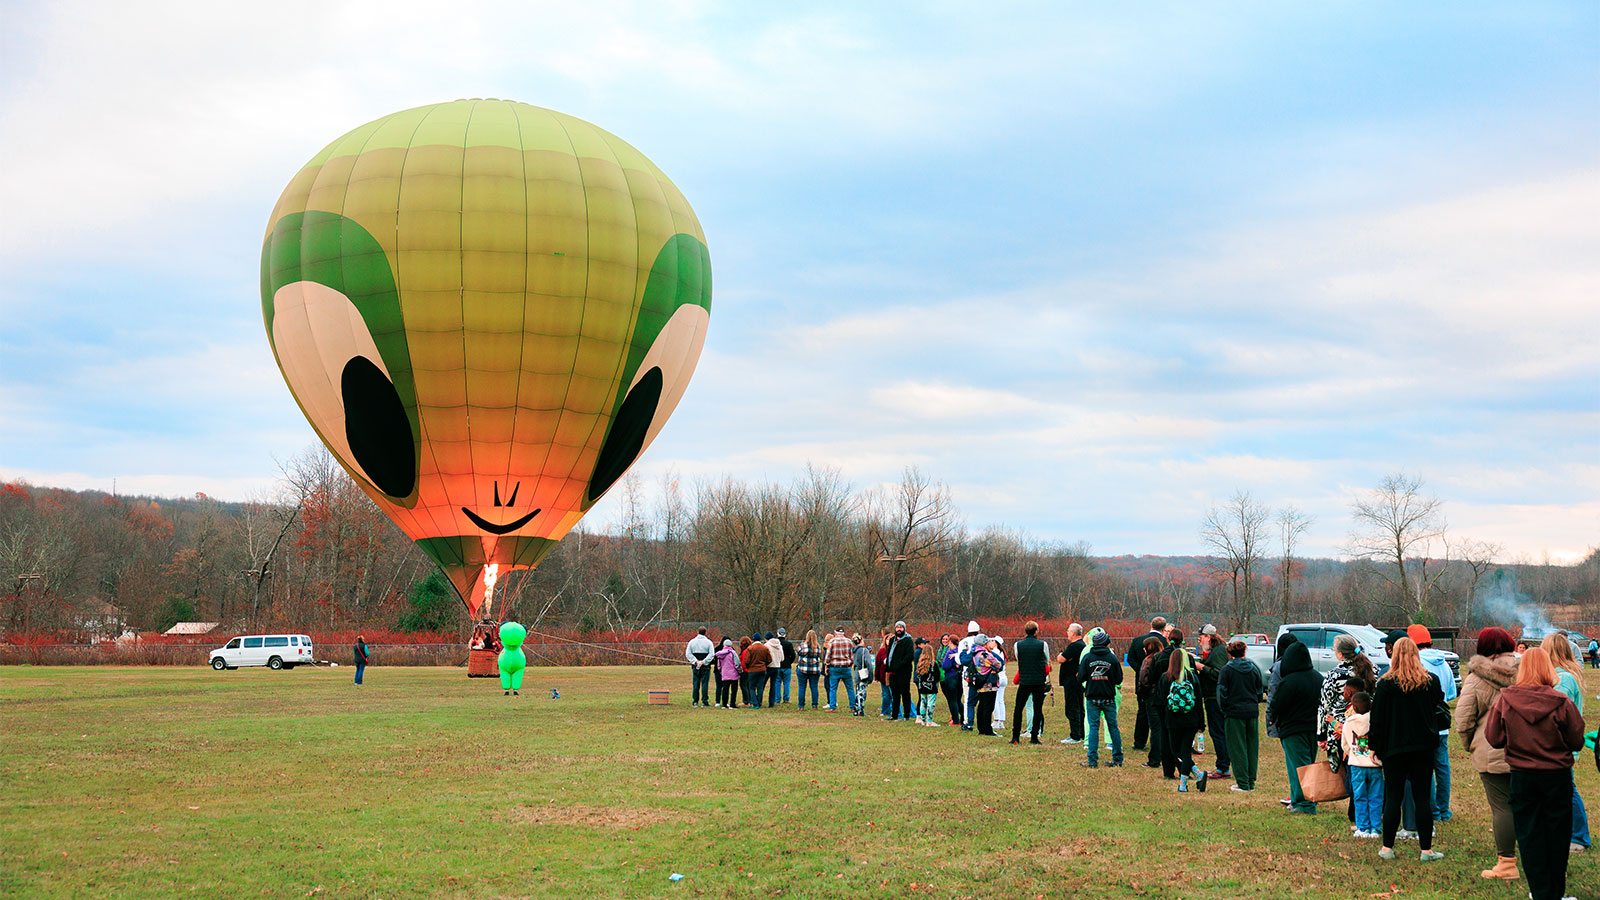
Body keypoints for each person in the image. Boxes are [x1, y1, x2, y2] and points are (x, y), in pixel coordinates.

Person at [1485, 647, 1586, 900]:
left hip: (1522, 777)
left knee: (1529, 835)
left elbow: (1493, 737)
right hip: (1556, 777)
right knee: (1557, 834)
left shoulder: (1505, 700)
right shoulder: (1562, 702)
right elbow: (1576, 740)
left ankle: (1541, 892)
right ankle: (1553, 893)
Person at [1369, 637, 1446, 862]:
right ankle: (1426, 850)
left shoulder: (1385, 684)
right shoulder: (1430, 682)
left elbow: (1377, 719)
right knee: (1422, 797)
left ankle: (1387, 848)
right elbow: (1439, 709)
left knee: (1393, 796)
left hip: (1393, 747)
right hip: (1423, 746)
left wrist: (1373, 746)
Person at [1454, 626, 1520, 879]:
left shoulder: (1476, 678)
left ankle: (1506, 864)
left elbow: (1463, 718)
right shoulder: (1526, 670)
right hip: (1529, 749)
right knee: (1529, 804)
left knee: (1503, 808)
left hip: (1492, 750)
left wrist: (1469, 742)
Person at [1541, 634, 1591, 854]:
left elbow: (1551, 710)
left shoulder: (1563, 679)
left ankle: (1579, 836)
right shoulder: (1565, 676)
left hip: (1559, 744)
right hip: (1559, 743)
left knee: (1567, 790)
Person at [1409, 625, 1458, 823]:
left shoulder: (1417, 663)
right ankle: (1444, 810)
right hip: (1442, 725)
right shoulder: (1444, 663)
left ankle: (1433, 811)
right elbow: (1453, 692)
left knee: (1425, 768)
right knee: (1442, 767)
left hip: (1423, 725)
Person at [1270, 638, 1320, 814]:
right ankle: (1303, 799)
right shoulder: (1317, 678)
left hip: (1293, 730)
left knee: (1298, 768)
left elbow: (1277, 704)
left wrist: (1273, 720)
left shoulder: (1288, 681)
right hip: (1313, 729)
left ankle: (1304, 804)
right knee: (1309, 765)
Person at [1217, 639, 1264, 792]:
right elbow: (1259, 691)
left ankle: (1243, 783)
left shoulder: (1227, 670)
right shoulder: (1253, 668)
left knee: (1237, 748)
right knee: (1251, 747)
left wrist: (1224, 708)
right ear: (1244, 652)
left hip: (1234, 712)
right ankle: (1251, 781)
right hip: (1251, 711)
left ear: (1230, 654)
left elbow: (1222, 693)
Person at [1159, 642, 1207, 792]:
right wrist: (1201, 722)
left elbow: (1161, 700)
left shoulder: (1166, 678)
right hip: (1191, 720)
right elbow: (1199, 701)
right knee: (1186, 750)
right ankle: (1186, 782)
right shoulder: (1193, 677)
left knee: (1176, 751)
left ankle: (1193, 778)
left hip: (1173, 720)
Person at [1078, 629, 1124, 767]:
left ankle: (1092, 760)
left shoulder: (1087, 657)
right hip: (1109, 697)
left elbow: (1080, 677)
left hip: (1092, 697)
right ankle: (1117, 759)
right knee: (1113, 727)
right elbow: (1118, 679)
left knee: (1093, 727)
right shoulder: (1112, 658)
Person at [1342, 691, 1383, 838]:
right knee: (1376, 796)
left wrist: (1353, 754)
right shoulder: (1376, 720)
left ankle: (1363, 827)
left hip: (1357, 764)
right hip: (1375, 764)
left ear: (1354, 707)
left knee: (1359, 796)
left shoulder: (1348, 723)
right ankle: (1376, 828)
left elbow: (1345, 744)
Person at [1128, 616, 1168, 752]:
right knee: (1160, 715)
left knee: (1142, 712)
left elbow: (1131, 658)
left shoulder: (1138, 640)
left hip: (1141, 682)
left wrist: (1141, 669)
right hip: (1159, 683)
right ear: (1164, 628)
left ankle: (1139, 741)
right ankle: (1160, 741)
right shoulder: (1165, 642)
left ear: (1151, 625)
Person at [1196, 625, 1229, 778]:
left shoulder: (1219, 652)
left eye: (1201, 637)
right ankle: (1223, 765)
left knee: (1218, 733)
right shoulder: (1217, 651)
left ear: (1208, 637)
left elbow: (1219, 673)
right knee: (1219, 732)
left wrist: (1201, 667)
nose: (1199, 640)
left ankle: (1223, 768)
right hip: (1212, 697)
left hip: (1215, 699)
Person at [1011, 621, 1050, 744]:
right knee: (1037, 709)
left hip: (1024, 681)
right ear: (1036, 631)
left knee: (1018, 709)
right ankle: (1034, 736)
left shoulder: (1018, 645)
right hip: (1038, 681)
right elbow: (1046, 660)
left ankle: (1015, 736)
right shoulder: (1043, 644)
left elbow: (1019, 659)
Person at [1057, 623, 1086, 744]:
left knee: (1072, 707)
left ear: (1073, 633)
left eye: (1068, 631)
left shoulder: (1074, 646)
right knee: (1079, 707)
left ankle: (1075, 735)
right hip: (1078, 682)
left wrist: (1061, 655)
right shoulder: (1083, 645)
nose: (1067, 633)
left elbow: (1061, 659)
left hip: (1072, 682)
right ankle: (1081, 734)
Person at [973, 636, 1004, 736]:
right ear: (984, 644)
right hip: (989, 684)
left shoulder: (975, 654)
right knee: (988, 707)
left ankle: (981, 728)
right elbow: (999, 665)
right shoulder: (986, 655)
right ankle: (988, 730)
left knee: (981, 706)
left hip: (980, 682)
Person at [886, 621, 916, 721]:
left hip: (904, 672)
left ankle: (906, 715)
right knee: (894, 694)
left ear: (904, 629)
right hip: (893, 671)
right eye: (897, 627)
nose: (899, 629)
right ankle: (894, 715)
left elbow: (909, 656)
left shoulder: (908, 641)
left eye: (901, 627)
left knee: (905, 693)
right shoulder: (892, 640)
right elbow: (889, 654)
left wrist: (899, 664)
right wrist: (889, 667)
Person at [824, 627, 857, 713]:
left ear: (835, 632)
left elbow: (827, 656)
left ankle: (832, 707)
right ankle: (853, 707)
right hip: (846, 667)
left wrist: (826, 666)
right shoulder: (849, 641)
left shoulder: (832, 641)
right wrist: (850, 664)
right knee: (850, 688)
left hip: (834, 668)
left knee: (833, 688)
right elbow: (852, 656)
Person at [939, 634, 964, 726]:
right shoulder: (961, 652)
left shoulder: (950, 653)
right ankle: (964, 718)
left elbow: (945, 666)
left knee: (952, 700)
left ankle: (956, 720)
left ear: (950, 642)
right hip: (960, 678)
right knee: (958, 700)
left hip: (950, 678)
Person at [914, 638, 941, 726]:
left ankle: (923, 719)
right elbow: (937, 676)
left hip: (922, 686)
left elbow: (918, 674)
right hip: (931, 686)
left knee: (923, 702)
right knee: (930, 703)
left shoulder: (920, 664)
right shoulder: (933, 664)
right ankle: (929, 720)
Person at [685, 627, 714, 708]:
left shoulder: (692, 642)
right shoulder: (709, 642)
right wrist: (703, 662)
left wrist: (695, 661)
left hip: (695, 667)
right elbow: (711, 654)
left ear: (697, 632)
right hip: (706, 667)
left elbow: (688, 654)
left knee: (695, 684)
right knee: (705, 684)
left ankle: (695, 701)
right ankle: (705, 702)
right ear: (705, 633)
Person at [794, 630, 823, 709]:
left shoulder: (802, 646)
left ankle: (801, 706)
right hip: (815, 670)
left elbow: (798, 653)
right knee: (814, 687)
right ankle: (814, 705)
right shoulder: (818, 647)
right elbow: (820, 656)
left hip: (803, 669)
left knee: (802, 687)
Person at [742, 635, 772, 709]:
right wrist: (764, 665)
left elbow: (747, 661)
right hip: (762, 670)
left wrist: (748, 667)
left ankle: (755, 703)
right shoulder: (764, 648)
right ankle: (759, 702)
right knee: (760, 687)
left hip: (752, 670)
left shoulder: (750, 648)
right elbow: (769, 659)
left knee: (751, 687)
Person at [714, 637, 742, 708]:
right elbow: (737, 663)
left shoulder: (720, 654)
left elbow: (719, 665)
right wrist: (740, 671)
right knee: (734, 690)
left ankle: (724, 704)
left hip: (725, 674)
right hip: (734, 674)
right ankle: (732, 704)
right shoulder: (733, 653)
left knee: (725, 689)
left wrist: (721, 671)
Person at [851, 633, 874, 717]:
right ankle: (861, 710)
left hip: (857, 673)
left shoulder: (854, 651)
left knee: (858, 691)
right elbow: (868, 663)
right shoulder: (864, 651)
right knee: (862, 692)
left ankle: (856, 709)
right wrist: (871, 676)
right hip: (863, 673)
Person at [775, 628, 796, 705]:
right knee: (786, 683)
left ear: (777, 634)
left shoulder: (776, 644)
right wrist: (789, 662)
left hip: (777, 665)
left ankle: (777, 699)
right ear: (785, 634)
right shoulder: (788, 644)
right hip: (787, 666)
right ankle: (786, 699)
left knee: (777, 683)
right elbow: (793, 655)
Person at [765, 631, 786, 707]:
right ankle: (771, 703)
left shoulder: (766, 645)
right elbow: (782, 658)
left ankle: (758, 700)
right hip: (777, 666)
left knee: (762, 685)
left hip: (768, 667)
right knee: (773, 685)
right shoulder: (779, 645)